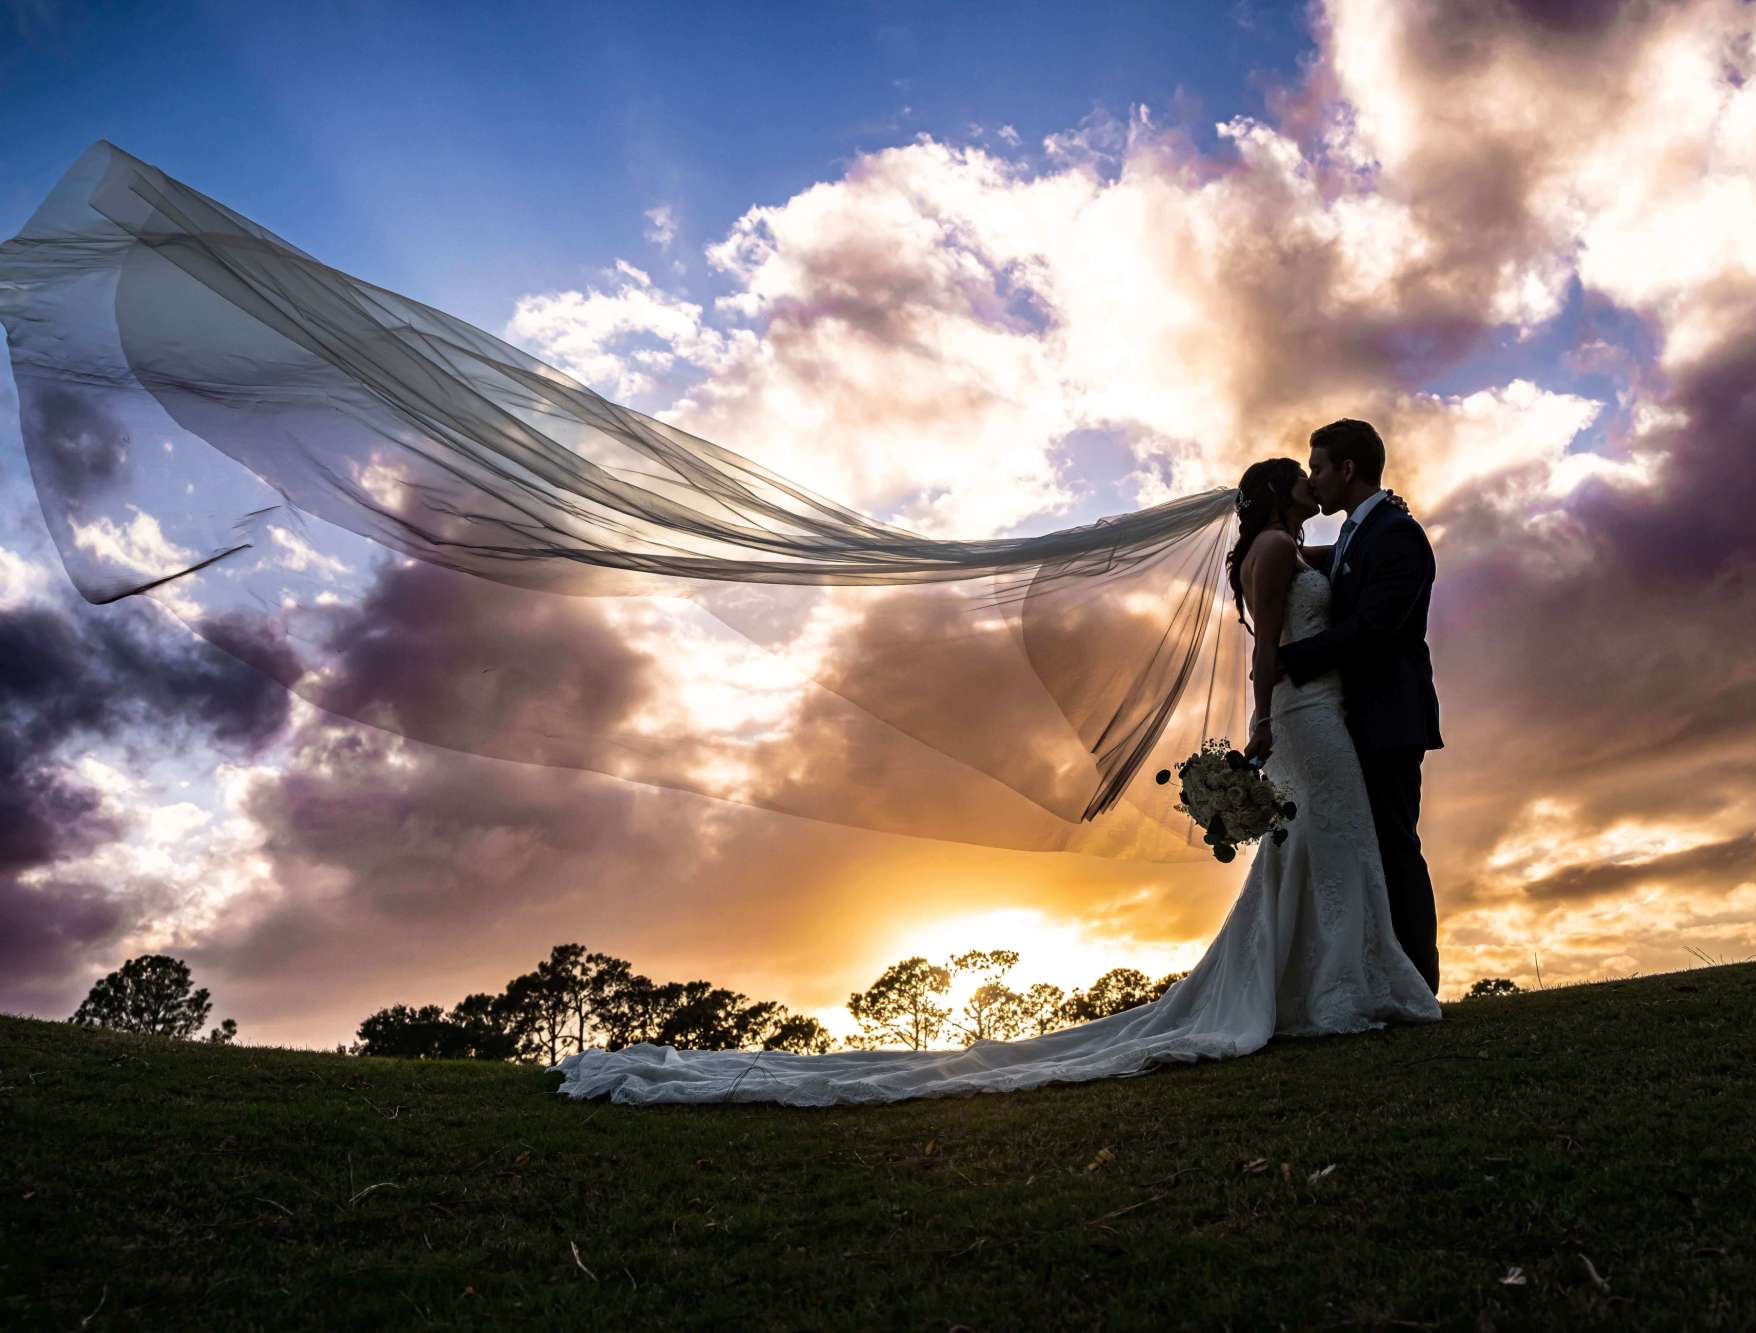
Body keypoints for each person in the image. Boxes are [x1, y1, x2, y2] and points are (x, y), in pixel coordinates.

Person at [545, 454, 1441, 1106]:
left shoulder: (1286, 549)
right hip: (1299, 719)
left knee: (1324, 848)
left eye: (1327, 471)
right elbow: (1274, 646)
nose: (1317, 484)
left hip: (1311, 720)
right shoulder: (1278, 552)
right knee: (1338, 841)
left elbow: (1345, 574)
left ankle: (1333, 984)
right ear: (1288, 490)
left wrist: (1364, 528)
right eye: (1307, 474)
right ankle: (1346, 989)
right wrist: (1256, 715)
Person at [1260, 419, 1443, 994]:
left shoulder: (1396, 534)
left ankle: (1418, 981)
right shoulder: (1356, 536)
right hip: (1345, 717)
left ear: (1346, 469)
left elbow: (1374, 627)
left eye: (1317, 467)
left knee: (1394, 845)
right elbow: (1296, 564)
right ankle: (1379, 978)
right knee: (1363, 851)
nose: (1312, 479)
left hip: (1388, 716)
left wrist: (1291, 662)